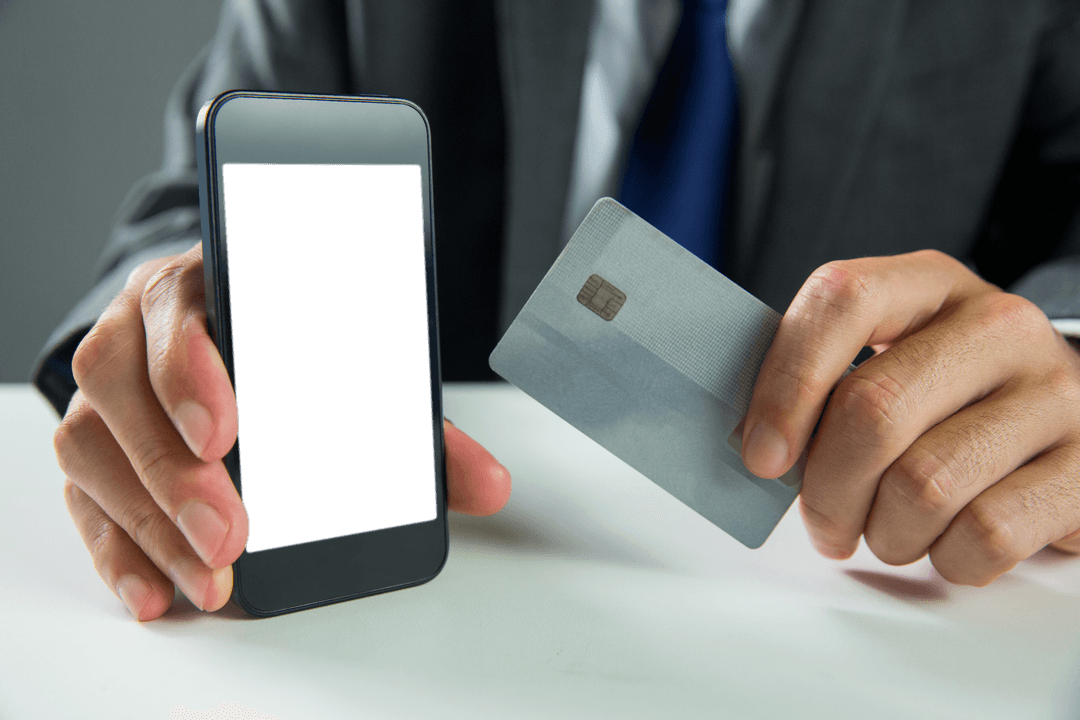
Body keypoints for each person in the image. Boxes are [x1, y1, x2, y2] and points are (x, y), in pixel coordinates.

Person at [38, 0, 1080, 621]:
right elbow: (174, 224)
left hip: (852, 604)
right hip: (454, 592)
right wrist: (174, 342)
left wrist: (1064, 362)